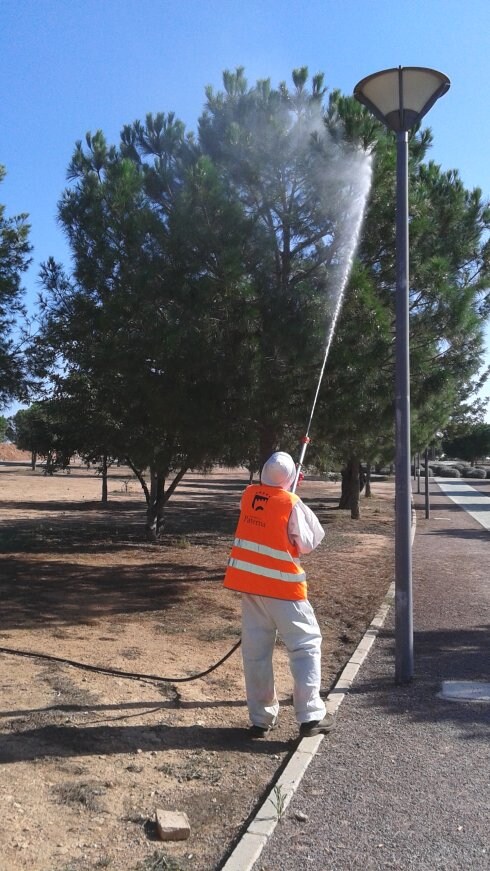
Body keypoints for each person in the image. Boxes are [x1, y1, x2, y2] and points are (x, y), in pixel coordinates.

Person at [224, 451, 334, 738]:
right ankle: (311, 715)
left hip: (252, 589)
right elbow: (309, 542)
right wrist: (290, 493)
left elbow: (265, 510)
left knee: (256, 653)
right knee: (305, 646)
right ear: (292, 478)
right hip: (284, 590)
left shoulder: (248, 495)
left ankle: (261, 718)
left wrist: (284, 488)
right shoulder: (291, 503)